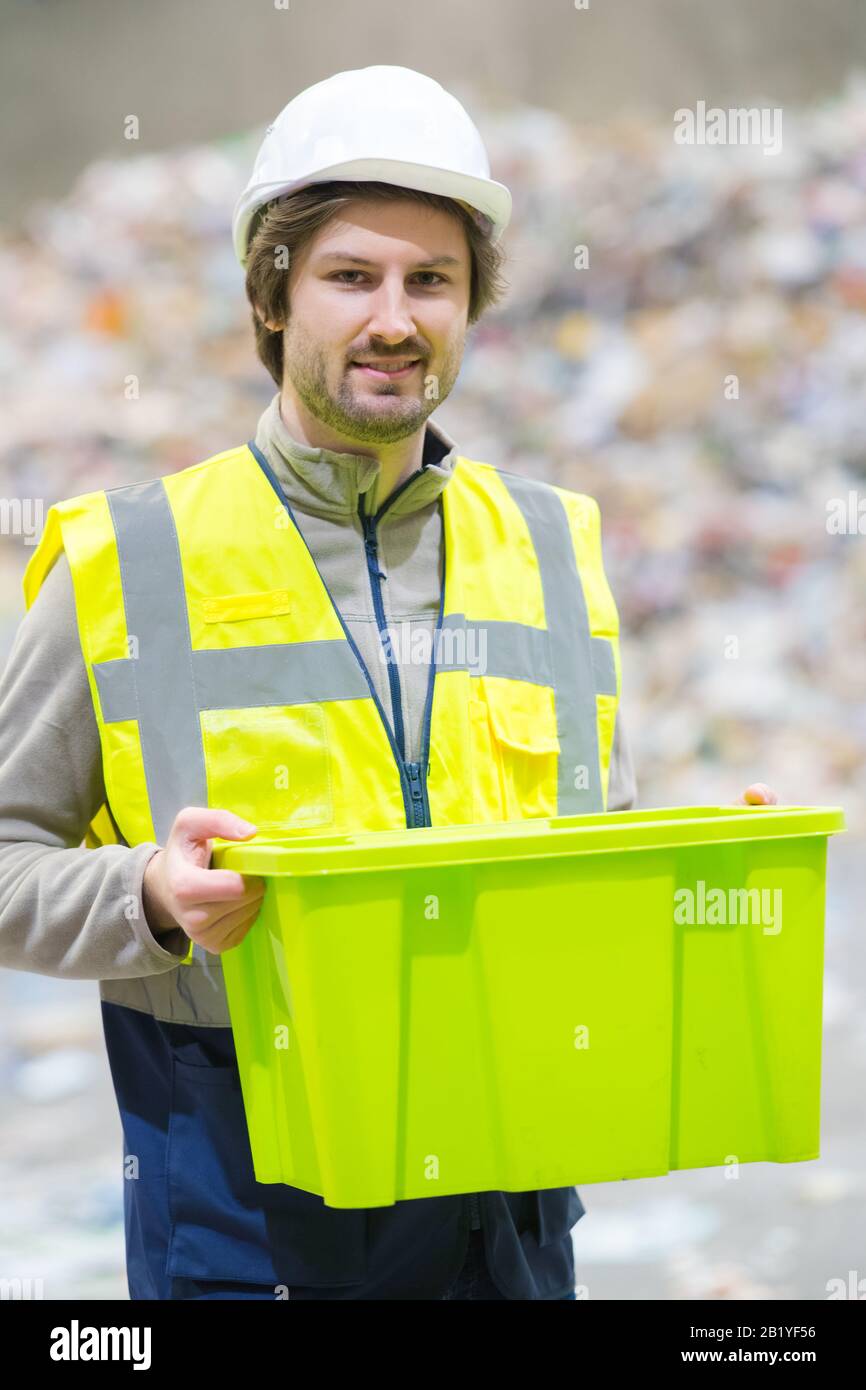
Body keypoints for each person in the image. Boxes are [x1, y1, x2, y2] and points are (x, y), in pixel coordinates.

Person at [0, 64, 778, 1301]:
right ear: (273, 299)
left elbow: (585, 862)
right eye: (350, 277)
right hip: (240, 1204)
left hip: (507, 1217)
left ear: (471, 307)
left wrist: (693, 878)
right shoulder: (128, 558)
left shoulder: (551, 548)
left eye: (432, 281)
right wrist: (145, 892)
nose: (394, 318)